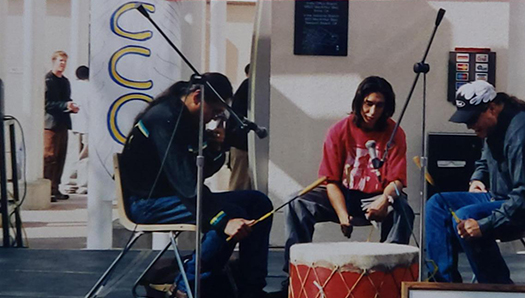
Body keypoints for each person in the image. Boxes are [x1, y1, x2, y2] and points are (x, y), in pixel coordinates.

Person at [120, 73, 273, 298]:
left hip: (174, 195)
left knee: (259, 202)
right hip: (147, 203)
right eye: (214, 112)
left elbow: (197, 173)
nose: (212, 119)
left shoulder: (183, 117)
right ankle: (186, 288)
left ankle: (251, 287)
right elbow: (187, 182)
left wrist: (214, 149)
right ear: (197, 97)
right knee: (227, 216)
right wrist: (223, 221)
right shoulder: (165, 119)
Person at [425, 81, 525, 284]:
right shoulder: (494, 126)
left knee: (466, 217)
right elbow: (485, 159)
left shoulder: (524, 133)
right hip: (503, 199)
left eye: (472, 119)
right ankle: (443, 285)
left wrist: (485, 225)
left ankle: (497, 288)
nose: (469, 126)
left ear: (492, 108)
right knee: (437, 204)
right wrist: (477, 178)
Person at [280, 76, 414, 292]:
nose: (372, 111)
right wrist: (343, 216)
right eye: (368, 104)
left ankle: (389, 275)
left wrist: (383, 201)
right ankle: (293, 275)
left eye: (379, 105)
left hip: (376, 196)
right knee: (296, 201)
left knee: (403, 209)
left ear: (387, 107)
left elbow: (397, 181)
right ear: (359, 102)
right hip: (341, 193)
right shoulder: (338, 130)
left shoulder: (395, 133)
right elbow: (330, 180)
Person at [44, 50, 79, 202]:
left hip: (63, 123)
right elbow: (46, 103)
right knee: (49, 157)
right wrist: (64, 104)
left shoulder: (65, 81)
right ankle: (47, 189)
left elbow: (66, 99)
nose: (63, 64)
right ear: (54, 62)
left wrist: (71, 106)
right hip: (50, 124)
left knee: (60, 157)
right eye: (60, 61)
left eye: (65, 61)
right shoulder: (48, 80)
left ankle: (55, 188)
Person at [63, 65, 89, 194]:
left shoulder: (72, 86)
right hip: (87, 125)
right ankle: (82, 184)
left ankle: (69, 182)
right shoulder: (91, 88)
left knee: (72, 154)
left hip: (73, 124)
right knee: (84, 156)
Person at [227, 64, 253, 190]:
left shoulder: (244, 87)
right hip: (243, 147)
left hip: (239, 145)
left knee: (240, 184)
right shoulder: (248, 86)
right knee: (239, 186)